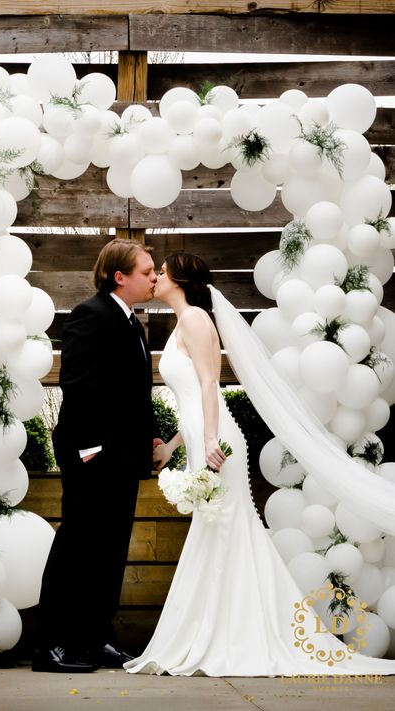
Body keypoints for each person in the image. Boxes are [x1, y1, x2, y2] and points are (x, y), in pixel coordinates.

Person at [124, 252, 395, 677]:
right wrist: (175, 445)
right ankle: (226, 632)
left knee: (223, 533)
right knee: (222, 536)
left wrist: (211, 442)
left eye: (161, 271)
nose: (155, 277)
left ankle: (230, 636)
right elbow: (192, 400)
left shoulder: (196, 319)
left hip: (218, 445)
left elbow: (212, 383)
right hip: (204, 440)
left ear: (180, 280)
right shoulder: (185, 322)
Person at [33, 239, 161, 673]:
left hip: (124, 457)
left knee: (110, 549)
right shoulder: (91, 314)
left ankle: (95, 638)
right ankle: (51, 645)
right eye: (147, 272)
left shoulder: (134, 326)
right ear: (119, 277)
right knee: (77, 546)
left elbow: (135, 396)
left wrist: (152, 439)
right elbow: (79, 384)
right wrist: (91, 447)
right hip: (92, 454)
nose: (155, 278)